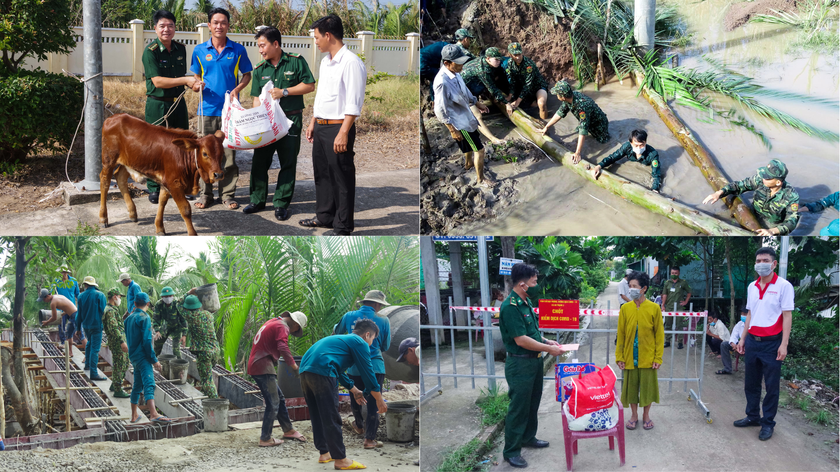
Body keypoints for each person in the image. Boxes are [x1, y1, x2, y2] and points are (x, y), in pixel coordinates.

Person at [299, 14, 366, 236]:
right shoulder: (326, 62)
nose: (315, 41)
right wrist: (313, 121)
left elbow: (353, 103)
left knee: (342, 177)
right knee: (323, 174)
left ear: (328, 35)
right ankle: (325, 217)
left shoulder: (351, 63)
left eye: (317, 37)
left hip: (338, 127)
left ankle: (343, 225)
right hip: (321, 125)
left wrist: (343, 132)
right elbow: (322, 96)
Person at [244, 26, 316, 221]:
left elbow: (309, 85)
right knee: (260, 162)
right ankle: (257, 200)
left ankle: (281, 204)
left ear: (275, 44)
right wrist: (256, 121)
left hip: (290, 120)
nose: (260, 50)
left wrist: (284, 92)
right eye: (258, 46)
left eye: (262, 45)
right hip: (267, 123)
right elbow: (256, 99)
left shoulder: (296, 61)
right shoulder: (260, 69)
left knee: (288, 163)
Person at [498, 263, 564, 468]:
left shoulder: (525, 302)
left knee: (532, 403)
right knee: (518, 408)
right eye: (534, 281)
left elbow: (531, 333)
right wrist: (550, 351)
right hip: (520, 364)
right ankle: (511, 451)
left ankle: (528, 437)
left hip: (534, 362)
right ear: (522, 283)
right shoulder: (510, 306)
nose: (536, 284)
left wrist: (546, 342)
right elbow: (521, 340)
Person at [299, 319, 387, 470]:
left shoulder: (341, 340)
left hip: (305, 372)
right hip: (323, 372)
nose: (372, 343)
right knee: (332, 416)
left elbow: (338, 371)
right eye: (373, 338)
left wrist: (354, 390)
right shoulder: (359, 343)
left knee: (317, 414)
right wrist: (379, 399)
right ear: (367, 335)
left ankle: (324, 453)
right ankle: (341, 459)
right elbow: (369, 374)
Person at [190, 7, 253, 211]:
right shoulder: (199, 50)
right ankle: (205, 194)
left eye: (223, 22)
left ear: (228, 25)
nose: (219, 26)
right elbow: (196, 76)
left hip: (230, 112)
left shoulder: (238, 50)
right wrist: (197, 84)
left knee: (228, 156)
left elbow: (247, 75)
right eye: (215, 22)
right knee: (205, 156)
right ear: (209, 25)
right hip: (206, 110)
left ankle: (227, 195)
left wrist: (237, 90)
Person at [734, 247, 794, 441]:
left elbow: (787, 315)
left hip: (772, 344)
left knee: (771, 386)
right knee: (751, 383)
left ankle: (768, 423)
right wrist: (742, 338)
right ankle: (753, 416)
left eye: (765, 260)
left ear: (774, 263)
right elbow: (750, 314)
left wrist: (784, 344)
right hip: (752, 341)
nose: (761, 264)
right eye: (758, 261)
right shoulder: (752, 286)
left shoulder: (784, 286)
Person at [142, 9, 199, 204]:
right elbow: (157, 81)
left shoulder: (180, 49)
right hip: (157, 105)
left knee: (183, 145)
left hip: (178, 104)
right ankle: (154, 188)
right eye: (162, 26)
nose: (166, 29)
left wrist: (194, 83)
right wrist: (185, 80)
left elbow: (184, 78)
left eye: (170, 26)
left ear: (175, 28)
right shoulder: (150, 52)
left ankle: (181, 183)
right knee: (154, 147)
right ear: (155, 28)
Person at [335, 290, 392, 449]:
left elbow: (336, 333)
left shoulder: (348, 316)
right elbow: (385, 346)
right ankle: (369, 439)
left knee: (356, 396)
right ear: (377, 304)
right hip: (375, 365)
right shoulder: (383, 320)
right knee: (374, 401)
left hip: (353, 366)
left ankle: (359, 426)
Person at [433, 44, 494, 188]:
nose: (462, 65)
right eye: (458, 62)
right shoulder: (442, 82)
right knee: (479, 149)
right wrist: (452, 129)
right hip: (460, 123)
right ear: (447, 63)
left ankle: (468, 164)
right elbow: (440, 110)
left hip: (467, 116)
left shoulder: (456, 73)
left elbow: (464, 91)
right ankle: (480, 180)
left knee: (469, 145)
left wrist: (476, 103)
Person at [247, 311, 309, 447]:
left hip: (259, 364)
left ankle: (288, 430)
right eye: (296, 329)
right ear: (295, 324)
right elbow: (282, 346)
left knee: (279, 398)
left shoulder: (273, 321)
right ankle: (265, 438)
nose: (293, 332)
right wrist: (294, 366)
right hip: (262, 366)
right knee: (273, 402)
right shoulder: (283, 326)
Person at [615, 270, 663, 432]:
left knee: (647, 388)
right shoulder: (625, 309)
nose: (631, 289)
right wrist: (619, 356)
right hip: (630, 356)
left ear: (644, 289)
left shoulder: (654, 308)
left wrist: (658, 358)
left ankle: (646, 416)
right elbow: (620, 334)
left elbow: (659, 336)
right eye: (630, 286)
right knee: (632, 388)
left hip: (648, 357)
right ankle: (634, 415)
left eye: (635, 286)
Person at [703, 159, 800, 236]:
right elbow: (739, 185)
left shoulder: (791, 196)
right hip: (753, 214)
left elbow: (792, 222)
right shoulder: (760, 180)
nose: (763, 178)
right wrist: (719, 193)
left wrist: (772, 231)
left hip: (773, 224)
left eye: (767, 177)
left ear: (778, 182)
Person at [125, 292, 171, 423]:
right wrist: (154, 359)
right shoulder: (144, 317)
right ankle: (153, 413)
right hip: (143, 357)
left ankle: (134, 415)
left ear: (134, 303)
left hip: (133, 357)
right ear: (148, 304)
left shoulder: (128, 319)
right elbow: (146, 341)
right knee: (149, 383)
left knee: (137, 385)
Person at [538, 80, 610, 164]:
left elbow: (583, 130)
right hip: (589, 121)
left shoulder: (581, 107)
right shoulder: (570, 98)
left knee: (604, 142)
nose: (556, 95)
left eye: (557, 93)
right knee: (580, 131)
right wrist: (546, 127)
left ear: (563, 96)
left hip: (599, 125)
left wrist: (577, 153)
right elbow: (559, 113)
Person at [461, 47, 510, 144]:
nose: (498, 61)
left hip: (467, 88)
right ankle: (493, 139)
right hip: (460, 92)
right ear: (488, 58)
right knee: (476, 116)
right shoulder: (483, 70)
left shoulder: (484, 62)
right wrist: (506, 103)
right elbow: (492, 88)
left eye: (499, 59)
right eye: (496, 59)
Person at [592, 129, 663, 193]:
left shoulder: (653, 155)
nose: (639, 148)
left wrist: (654, 189)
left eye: (642, 145)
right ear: (631, 143)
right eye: (636, 145)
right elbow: (613, 157)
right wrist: (599, 166)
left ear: (645, 142)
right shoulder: (626, 147)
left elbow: (656, 174)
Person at [181, 293, 220, 398]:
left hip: (204, 353)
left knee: (207, 380)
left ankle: (214, 404)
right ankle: (206, 396)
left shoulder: (190, 316)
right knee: (207, 377)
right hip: (215, 351)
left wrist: (189, 293)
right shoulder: (208, 315)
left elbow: (178, 304)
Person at [503, 42, 549, 119]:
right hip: (523, 88)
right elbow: (512, 81)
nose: (518, 57)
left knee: (541, 104)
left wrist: (517, 101)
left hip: (537, 86)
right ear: (510, 55)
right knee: (526, 107)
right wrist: (510, 96)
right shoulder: (510, 64)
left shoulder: (528, 64)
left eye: (519, 54)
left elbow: (528, 85)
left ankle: (546, 123)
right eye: (515, 55)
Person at [77, 276, 107, 380]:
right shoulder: (100, 295)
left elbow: (79, 314)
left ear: (85, 285)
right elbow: (104, 312)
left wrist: (77, 328)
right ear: (94, 285)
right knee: (95, 349)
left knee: (90, 342)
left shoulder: (81, 296)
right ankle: (94, 373)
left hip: (86, 326)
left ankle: (87, 364)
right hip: (96, 326)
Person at [49, 267, 86, 351]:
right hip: (61, 308)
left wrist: (81, 305)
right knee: (61, 324)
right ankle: (63, 342)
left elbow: (77, 294)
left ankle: (70, 340)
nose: (64, 274)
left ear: (68, 273)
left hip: (72, 308)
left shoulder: (73, 281)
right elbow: (52, 293)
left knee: (73, 324)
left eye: (65, 272)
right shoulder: (56, 282)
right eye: (62, 272)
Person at [103, 287, 130, 397]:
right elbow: (114, 328)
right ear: (114, 297)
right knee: (120, 364)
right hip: (117, 342)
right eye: (119, 297)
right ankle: (118, 390)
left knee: (124, 363)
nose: (120, 299)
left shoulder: (112, 309)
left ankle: (115, 384)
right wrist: (121, 342)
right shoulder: (110, 311)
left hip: (118, 341)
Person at [38, 289, 81, 356]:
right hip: (74, 313)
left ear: (47, 296)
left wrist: (47, 322)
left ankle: (87, 355)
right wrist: (65, 312)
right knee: (68, 333)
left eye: (43, 299)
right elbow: (68, 304)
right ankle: (70, 352)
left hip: (75, 315)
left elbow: (54, 318)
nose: (44, 301)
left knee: (81, 335)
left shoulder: (53, 303)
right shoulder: (57, 296)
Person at [660, 266, 692, 349]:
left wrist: (685, 301)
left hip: (679, 307)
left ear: (679, 273)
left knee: (679, 325)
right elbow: (664, 294)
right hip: (669, 307)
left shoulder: (683, 282)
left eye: (676, 273)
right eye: (672, 273)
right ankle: (667, 341)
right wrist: (663, 305)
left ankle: (680, 342)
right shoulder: (667, 282)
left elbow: (689, 292)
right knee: (668, 324)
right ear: (670, 273)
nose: (674, 275)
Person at [152, 286, 187, 359]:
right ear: (162, 296)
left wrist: (184, 335)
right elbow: (156, 318)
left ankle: (179, 366)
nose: (168, 298)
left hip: (177, 328)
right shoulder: (159, 304)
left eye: (170, 296)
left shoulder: (177, 304)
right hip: (166, 326)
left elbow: (183, 320)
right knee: (157, 343)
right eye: (166, 296)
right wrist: (157, 330)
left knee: (176, 348)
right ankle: (152, 361)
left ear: (173, 296)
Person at [718, 307, 747, 375]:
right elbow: (733, 336)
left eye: (745, 314)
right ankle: (727, 368)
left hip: (749, 345)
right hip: (739, 344)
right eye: (742, 314)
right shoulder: (739, 324)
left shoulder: (753, 325)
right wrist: (734, 344)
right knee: (724, 344)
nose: (742, 315)